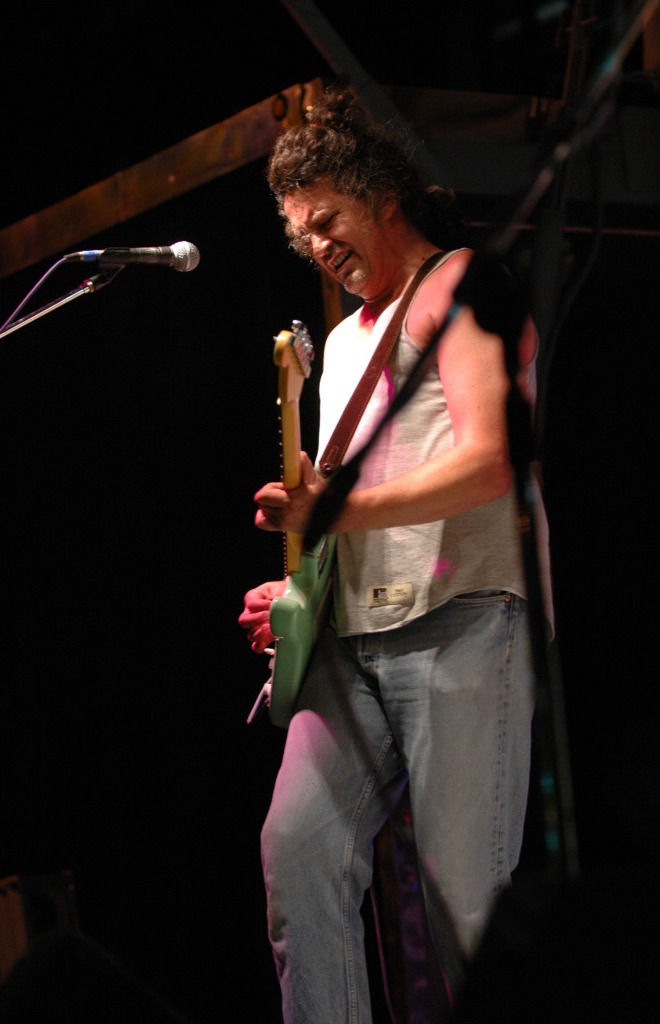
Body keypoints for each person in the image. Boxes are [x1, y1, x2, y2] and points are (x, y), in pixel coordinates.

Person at [239, 85, 551, 1023]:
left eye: (326, 220)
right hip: (353, 640)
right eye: (300, 234)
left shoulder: (463, 284)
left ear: (381, 196)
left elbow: (493, 460)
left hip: (465, 618)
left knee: (468, 914)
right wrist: (296, 590)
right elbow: (355, 510)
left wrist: (334, 508)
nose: (316, 245)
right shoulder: (340, 342)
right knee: (297, 855)